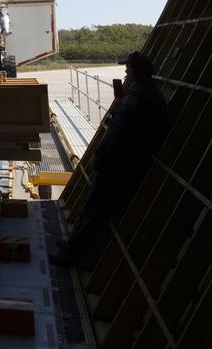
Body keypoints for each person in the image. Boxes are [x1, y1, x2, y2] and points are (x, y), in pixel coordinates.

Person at [52, 50, 167, 267]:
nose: (125, 70)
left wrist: (99, 154)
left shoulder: (136, 98)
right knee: (95, 209)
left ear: (134, 71)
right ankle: (73, 245)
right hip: (130, 161)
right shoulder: (151, 95)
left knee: (95, 210)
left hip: (117, 163)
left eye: (128, 67)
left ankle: (71, 254)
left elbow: (118, 131)